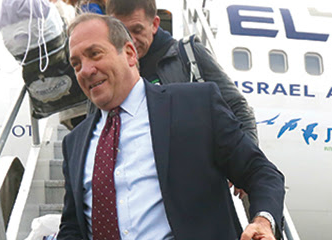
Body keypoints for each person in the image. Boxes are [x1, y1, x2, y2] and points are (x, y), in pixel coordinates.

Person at [57, 14, 285, 240]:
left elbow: (261, 173)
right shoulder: (75, 143)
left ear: (130, 53)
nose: (85, 69)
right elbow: (71, 229)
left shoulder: (193, 106)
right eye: (76, 62)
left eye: (94, 54)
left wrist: (263, 221)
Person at [106, 0, 258, 145]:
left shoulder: (188, 55)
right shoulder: (108, 73)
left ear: (154, 24)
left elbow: (239, 110)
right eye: (122, 32)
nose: (130, 40)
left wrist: (250, 166)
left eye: (137, 30)